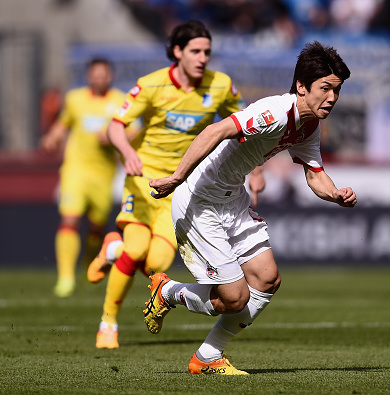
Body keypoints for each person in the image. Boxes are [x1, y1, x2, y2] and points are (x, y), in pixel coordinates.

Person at [143, 41, 357, 375]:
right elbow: (216, 130)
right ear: (301, 87)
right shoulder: (274, 112)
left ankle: (208, 357)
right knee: (234, 298)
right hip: (201, 199)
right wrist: (177, 176)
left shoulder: (309, 124)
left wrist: (335, 195)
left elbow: (314, 174)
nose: (332, 97)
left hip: (233, 198)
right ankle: (167, 291)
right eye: (325, 88)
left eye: (337, 90)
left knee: (268, 279)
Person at [86, 20, 264, 349]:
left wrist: (255, 171)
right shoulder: (151, 85)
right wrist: (126, 151)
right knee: (137, 249)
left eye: (207, 52)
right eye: (195, 51)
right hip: (143, 181)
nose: (202, 58)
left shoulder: (220, 86)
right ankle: (108, 322)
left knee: (156, 265)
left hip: (179, 187)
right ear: (178, 52)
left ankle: (113, 248)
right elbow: (115, 125)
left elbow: (244, 128)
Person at [40, 58, 136, 298]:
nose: (100, 78)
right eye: (96, 74)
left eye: (104, 74)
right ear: (88, 76)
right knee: (69, 218)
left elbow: (134, 132)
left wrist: (113, 136)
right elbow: (64, 124)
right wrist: (52, 137)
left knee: (96, 226)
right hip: (75, 169)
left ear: (110, 76)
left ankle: (86, 264)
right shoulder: (75, 99)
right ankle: (65, 277)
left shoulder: (119, 101)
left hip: (103, 175)